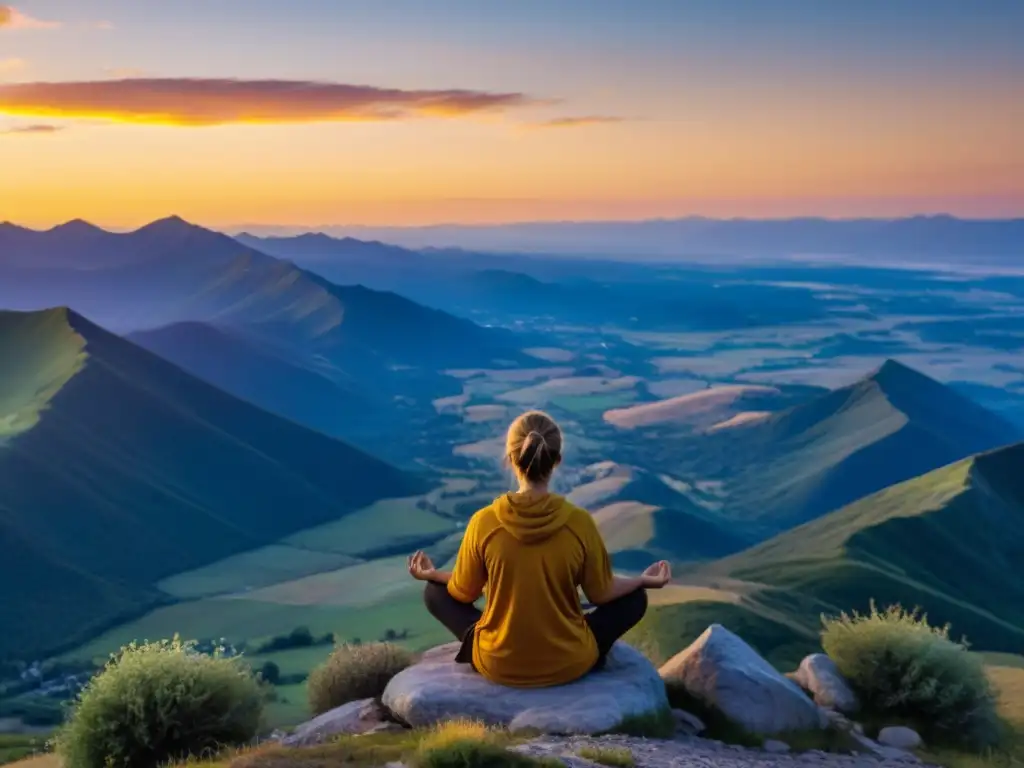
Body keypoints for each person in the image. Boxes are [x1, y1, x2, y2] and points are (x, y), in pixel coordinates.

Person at [407, 409, 672, 688]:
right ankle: (582, 652)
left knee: (435, 593)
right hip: (570, 664)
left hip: (497, 664)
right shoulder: (578, 523)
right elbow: (601, 592)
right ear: (557, 461)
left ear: (511, 459)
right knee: (635, 599)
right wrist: (641, 580)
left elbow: (464, 591)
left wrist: (434, 576)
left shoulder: (484, 522)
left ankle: (497, 645)